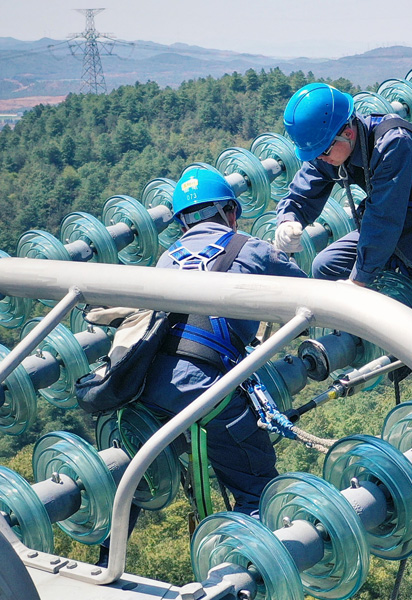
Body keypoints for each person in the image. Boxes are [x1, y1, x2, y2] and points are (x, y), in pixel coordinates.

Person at [274, 82, 412, 360]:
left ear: (348, 133)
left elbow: (383, 219)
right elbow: (304, 190)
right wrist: (288, 218)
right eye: (315, 155)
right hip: (404, 231)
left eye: (323, 153)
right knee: (326, 267)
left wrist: (358, 281)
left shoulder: (394, 144)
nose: (320, 160)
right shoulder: (329, 147)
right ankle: (370, 343)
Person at [141, 166, 308, 516]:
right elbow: (310, 297)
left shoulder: (165, 260)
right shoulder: (250, 249)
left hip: (151, 387)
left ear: (183, 224)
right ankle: (251, 544)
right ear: (230, 212)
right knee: (258, 493)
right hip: (206, 390)